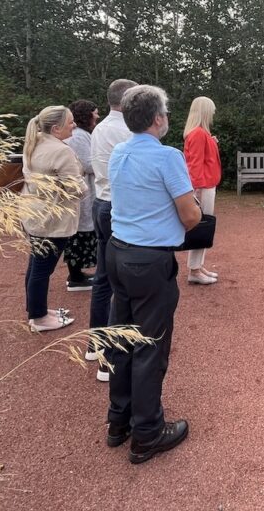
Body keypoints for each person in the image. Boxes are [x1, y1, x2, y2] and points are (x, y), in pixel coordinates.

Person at [104, 84, 200, 464]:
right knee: (150, 345)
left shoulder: (118, 151)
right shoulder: (167, 157)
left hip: (117, 251)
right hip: (148, 260)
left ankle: (119, 421)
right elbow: (190, 215)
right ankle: (147, 433)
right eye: (166, 113)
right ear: (158, 118)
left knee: (121, 340)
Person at [87, 78, 138, 381]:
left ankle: (96, 345)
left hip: (100, 202)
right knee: (121, 285)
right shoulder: (125, 130)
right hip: (118, 206)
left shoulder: (101, 127)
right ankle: (110, 360)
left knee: (103, 280)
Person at [20, 105, 84, 332]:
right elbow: (76, 188)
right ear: (56, 128)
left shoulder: (34, 142)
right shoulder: (61, 151)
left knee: (36, 265)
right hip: (51, 220)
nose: (74, 125)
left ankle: (36, 310)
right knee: (41, 269)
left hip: (34, 214)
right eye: (70, 122)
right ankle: (39, 318)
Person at [181, 96, 221, 285]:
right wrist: (195, 190)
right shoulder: (198, 133)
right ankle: (194, 270)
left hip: (205, 185)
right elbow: (194, 164)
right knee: (202, 228)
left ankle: (197, 266)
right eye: (211, 110)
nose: (213, 113)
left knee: (204, 227)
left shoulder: (199, 133)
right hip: (203, 186)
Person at [62, 99, 99, 290]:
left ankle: (77, 274)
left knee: (81, 231)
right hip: (82, 191)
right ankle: (75, 277)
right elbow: (88, 164)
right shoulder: (78, 137)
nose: (97, 116)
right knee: (78, 233)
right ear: (87, 115)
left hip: (84, 189)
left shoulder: (82, 135)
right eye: (95, 112)